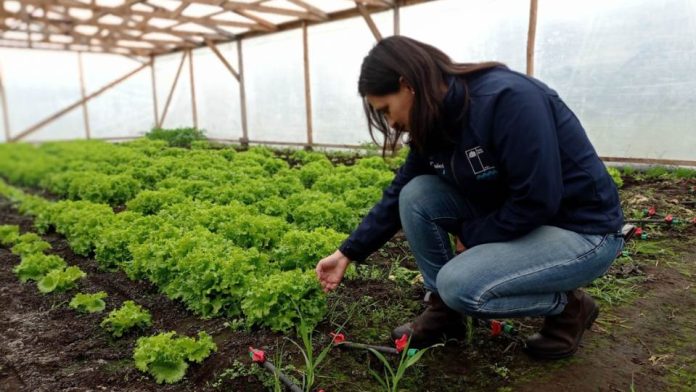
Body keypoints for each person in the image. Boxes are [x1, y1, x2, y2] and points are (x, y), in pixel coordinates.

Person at [315, 36, 624, 360]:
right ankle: (446, 313)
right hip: (530, 220)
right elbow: (398, 193)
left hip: (582, 231)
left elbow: (537, 200)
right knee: (416, 195)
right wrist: (348, 252)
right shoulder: (433, 120)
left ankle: (568, 308)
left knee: (459, 285)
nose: (390, 122)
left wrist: (474, 234)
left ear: (407, 86)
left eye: (387, 109)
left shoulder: (507, 100)